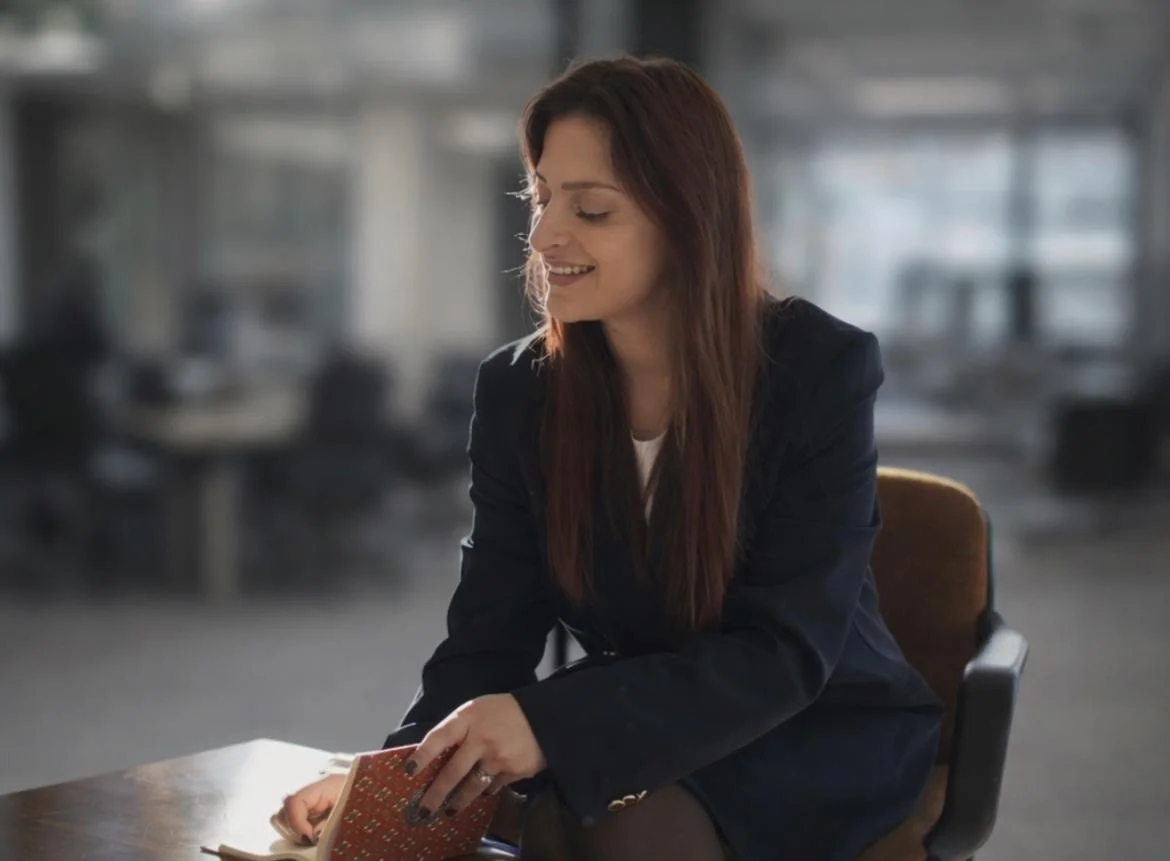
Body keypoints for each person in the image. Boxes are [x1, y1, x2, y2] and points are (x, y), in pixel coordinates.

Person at [277, 56, 943, 861]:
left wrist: (545, 722)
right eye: (542, 196)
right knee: (555, 823)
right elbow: (489, 633)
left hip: (810, 726)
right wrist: (393, 778)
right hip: (641, 718)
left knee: (606, 829)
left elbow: (784, 651)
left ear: (690, 218)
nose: (545, 234)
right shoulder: (521, 390)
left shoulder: (816, 369)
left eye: (591, 209)